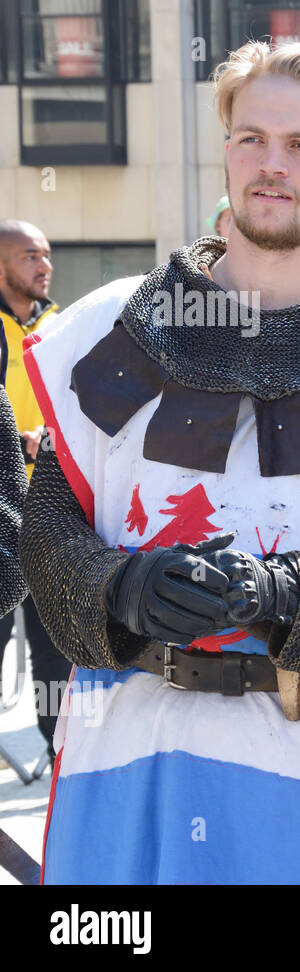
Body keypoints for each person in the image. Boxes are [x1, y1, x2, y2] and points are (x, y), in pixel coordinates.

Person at [21, 41, 300, 884]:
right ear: (224, 151)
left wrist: (287, 597)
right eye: (251, 138)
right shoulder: (111, 328)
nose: (272, 165)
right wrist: (123, 590)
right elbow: (49, 534)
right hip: (126, 753)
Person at [0, 220, 69, 758]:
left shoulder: (62, 324)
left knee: (56, 649)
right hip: (3, 515)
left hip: (49, 513)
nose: (44, 266)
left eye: (46, 255)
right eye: (30, 256)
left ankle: (62, 752)